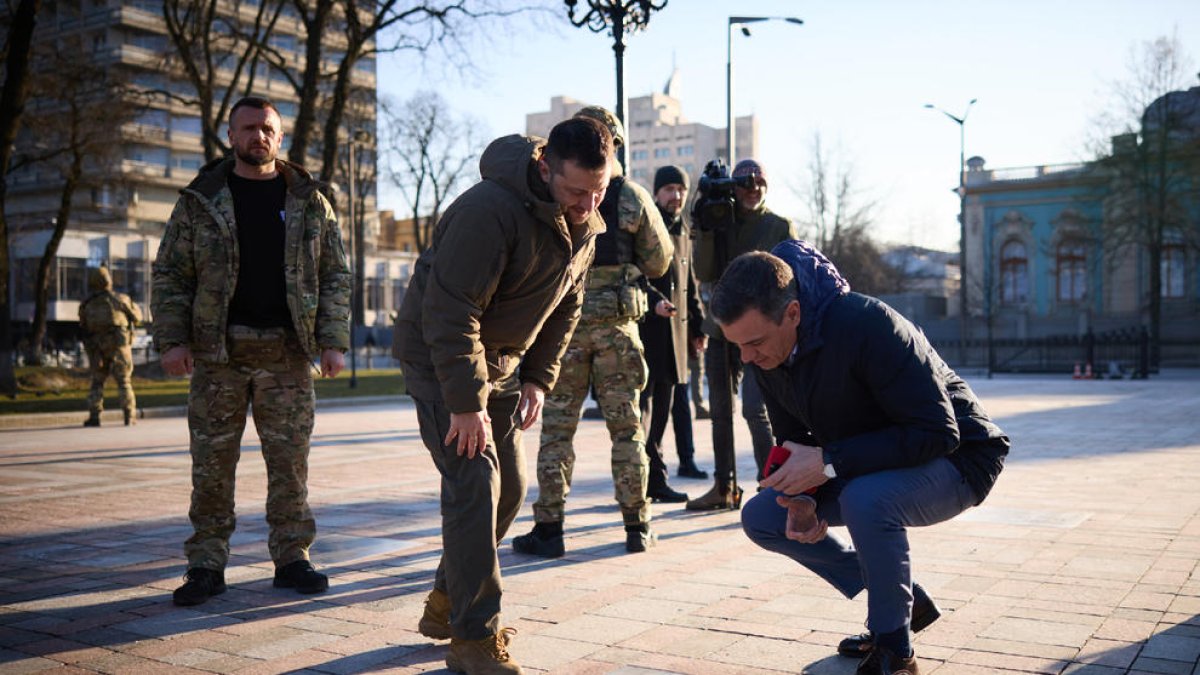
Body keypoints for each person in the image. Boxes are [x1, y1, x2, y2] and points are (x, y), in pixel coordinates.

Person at [711, 241, 1010, 675]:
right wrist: (802, 499)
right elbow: (793, 441)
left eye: (754, 342)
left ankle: (895, 650)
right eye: (736, 346)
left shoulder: (868, 324)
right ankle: (904, 600)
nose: (746, 358)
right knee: (763, 516)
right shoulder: (766, 353)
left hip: (961, 459)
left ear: (792, 313)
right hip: (867, 462)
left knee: (866, 500)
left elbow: (937, 432)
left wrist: (827, 463)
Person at [393, 116, 613, 674]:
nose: (588, 205)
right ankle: (473, 640)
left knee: (510, 488)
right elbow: (450, 312)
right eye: (576, 192)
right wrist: (466, 405)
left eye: (600, 190)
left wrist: (539, 378)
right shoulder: (486, 212)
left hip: (504, 367)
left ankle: (446, 605)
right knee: (474, 483)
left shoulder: (583, 222)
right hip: (442, 360)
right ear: (544, 168)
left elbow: (567, 306)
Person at [152, 96, 350, 608]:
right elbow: (171, 273)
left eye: (267, 128)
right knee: (212, 465)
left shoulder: (311, 201)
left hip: (287, 355)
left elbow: (335, 273)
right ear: (230, 135)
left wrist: (332, 340)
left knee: (290, 465)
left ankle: (291, 557)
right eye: (248, 128)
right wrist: (173, 340)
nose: (257, 137)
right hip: (219, 354)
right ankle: (206, 563)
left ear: (279, 137)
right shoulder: (200, 199)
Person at [513, 106, 673, 559]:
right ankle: (637, 525)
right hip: (618, 329)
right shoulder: (632, 197)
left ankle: (549, 529)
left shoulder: (550, 191)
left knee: (556, 433)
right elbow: (659, 260)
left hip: (562, 331)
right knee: (628, 432)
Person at [689, 158, 798, 510]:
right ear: (733, 188)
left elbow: (792, 280)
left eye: (759, 184)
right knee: (720, 409)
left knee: (755, 408)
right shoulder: (721, 223)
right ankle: (724, 486)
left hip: (762, 331)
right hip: (723, 330)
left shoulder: (778, 226)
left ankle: (771, 487)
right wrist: (705, 226)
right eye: (745, 184)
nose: (753, 190)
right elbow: (703, 271)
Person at [639, 165, 708, 493]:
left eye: (680, 189)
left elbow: (689, 284)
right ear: (656, 193)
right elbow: (636, 275)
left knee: (665, 409)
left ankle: (657, 477)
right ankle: (646, 478)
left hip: (678, 336)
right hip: (649, 332)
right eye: (668, 188)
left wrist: (699, 325)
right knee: (646, 410)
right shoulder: (647, 225)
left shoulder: (684, 229)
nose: (675, 195)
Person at [78, 266, 142, 427]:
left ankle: (94, 416)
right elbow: (137, 317)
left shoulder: (87, 304)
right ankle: (129, 415)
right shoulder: (120, 299)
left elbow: (83, 325)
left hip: (97, 348)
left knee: (97, 382)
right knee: (124, 382)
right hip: (119, 347)